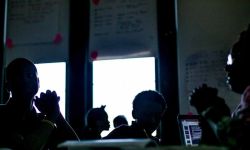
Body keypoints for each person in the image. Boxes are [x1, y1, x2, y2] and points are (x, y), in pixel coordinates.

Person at [0, 58, 79, 150]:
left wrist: (57, 115)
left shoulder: (43, 120)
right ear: (8, 86)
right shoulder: (1, 115)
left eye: (35, 75)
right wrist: (51, 117)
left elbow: (76, 147)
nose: (33, 79)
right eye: (28, 75)